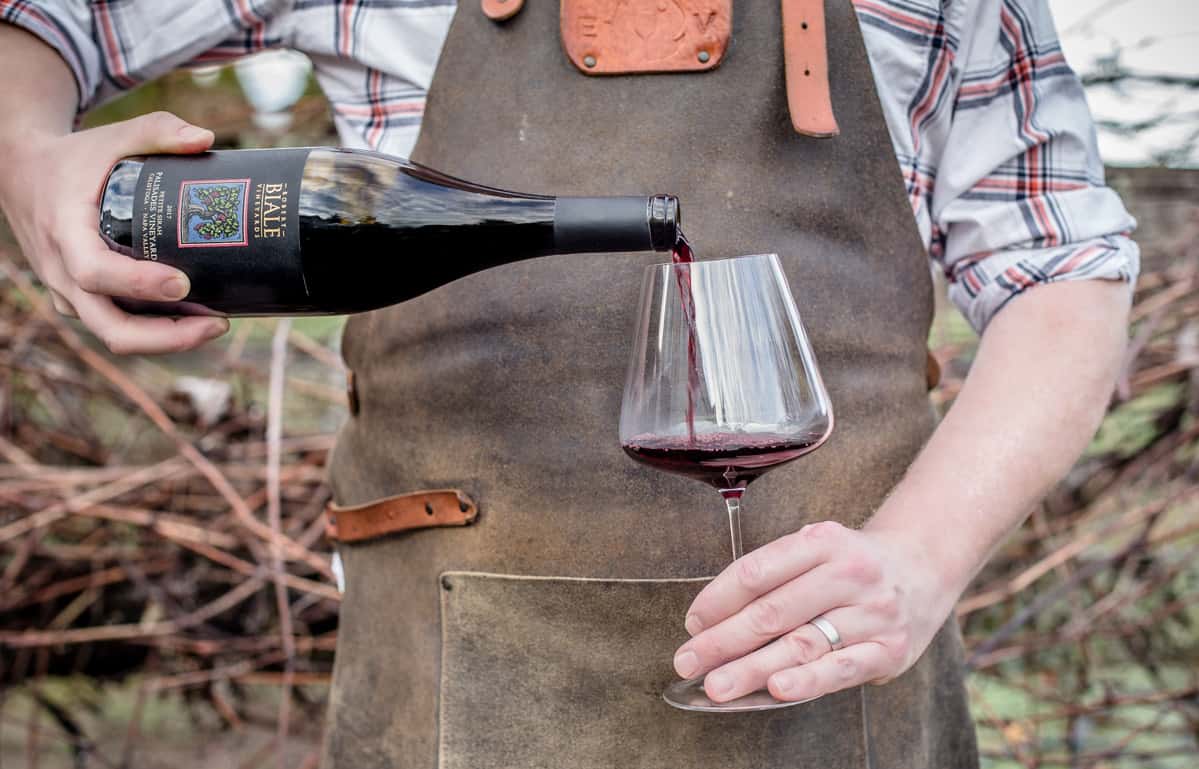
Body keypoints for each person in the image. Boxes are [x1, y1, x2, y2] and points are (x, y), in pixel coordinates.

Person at [0, 1, 1138, 767]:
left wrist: (918, 560)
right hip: (441, 702)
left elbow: (1063, 274)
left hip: (845, 698)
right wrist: (35, 164)